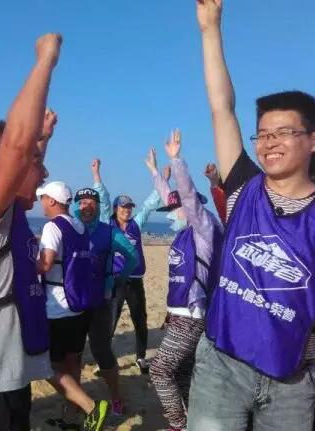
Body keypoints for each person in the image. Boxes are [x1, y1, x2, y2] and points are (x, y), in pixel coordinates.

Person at [0, 34, 107, 431]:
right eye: (37, 162)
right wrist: (46, 60)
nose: (44, 173)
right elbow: (15, 148)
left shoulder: (8, 214)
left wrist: (42, 139)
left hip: (7, 378)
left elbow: (23, 157)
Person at [188, 1, 315, 429]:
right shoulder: (244, 187)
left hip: (292, 380)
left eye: (284, 132)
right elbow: (221, 108)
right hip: (221, 366)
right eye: (262, 134)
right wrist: (210, 29)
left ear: (312, 141)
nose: (269, 142)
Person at [148, 130, 222, 431]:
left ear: (190, 210)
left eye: (172, 211)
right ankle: (195, 420)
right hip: (180, 313)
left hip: (191, 315)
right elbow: (174, 198)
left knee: (160, 369)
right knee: (181, 372)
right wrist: (155, 173)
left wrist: (177, 160)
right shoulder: (184, 230)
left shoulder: (203, 228)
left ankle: (178, 424)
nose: (169, 215)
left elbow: (186, 197)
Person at [36, 181, 106, 429]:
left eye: (43, 198)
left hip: (56, 308)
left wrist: (21, 264)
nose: (41, 203)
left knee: (45, 366)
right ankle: (70, 417)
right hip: (78, 305)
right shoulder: (79, 226)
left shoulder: (52, 227)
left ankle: (90, 407)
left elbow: (45, 264)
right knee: (72, 362)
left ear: (52, 201)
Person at [73, 186, 139, 417]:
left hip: (100, 301)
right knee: (74, 353)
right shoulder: (70, 228)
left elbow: (132, 256)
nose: (87, 206)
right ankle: (75, 401)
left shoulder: (109, 232)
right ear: (76, 206)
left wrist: (118, 278)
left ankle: (116, 398)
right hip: (73, 302)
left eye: (92, 203)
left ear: (99, 207)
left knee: (101, 350)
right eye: (82, 202)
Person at [94, 157, 164, 373]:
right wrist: (97, 173)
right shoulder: (108, 223)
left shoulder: (137, 224)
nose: (127, 210)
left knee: (140, 320)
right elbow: (103, 199)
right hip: (115, 282)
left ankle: (141, 358)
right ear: (116, 208)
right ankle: (104, 359)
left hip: (135, 282)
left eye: (129, 207)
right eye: (124, 207)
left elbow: (150, 205)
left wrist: (161, 179)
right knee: (110, 322)